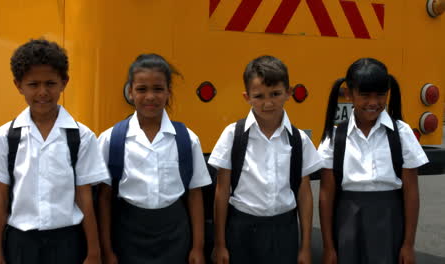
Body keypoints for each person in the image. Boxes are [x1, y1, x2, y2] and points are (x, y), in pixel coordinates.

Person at [0, 38, 108, 264]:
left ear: (64, 82)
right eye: (33, 84)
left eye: (50, 83)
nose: (42, 92)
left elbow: (84, 196)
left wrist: (93, 251)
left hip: (67, 242)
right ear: (18, 85)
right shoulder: (4, 138)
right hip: (20, 244)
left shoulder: (81, 137)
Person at [97, 53, 211, 264]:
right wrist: (107, 249)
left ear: (168, 92)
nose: (150, 96)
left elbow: (195, 195)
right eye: (142, 89)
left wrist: (197, 247)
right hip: (127, 235)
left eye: (158, 89)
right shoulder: (110, 139)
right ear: (130, 92)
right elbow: (104, 199)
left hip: (175, 235)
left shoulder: (187, 140)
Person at [210, 55, 322, 264]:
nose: (268, 103)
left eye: (275, 94)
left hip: (284, 232)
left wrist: (305, 246)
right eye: (259, 96)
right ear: (247, 97)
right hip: (241, 231)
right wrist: (219, 243)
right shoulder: (233, 135)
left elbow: (304, 194)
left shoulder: (299, 140)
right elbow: (222, 190)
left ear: (288, 93)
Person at [318, 58, 428, 264]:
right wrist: (329, 247)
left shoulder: (402, 134)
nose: (373, 102)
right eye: (365, 95)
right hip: (347, 224)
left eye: (380, 95)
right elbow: (326, 194)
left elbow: (411, 192)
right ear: (349, 94)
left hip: (389, 224)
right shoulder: (334, 138)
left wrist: (408, 245)